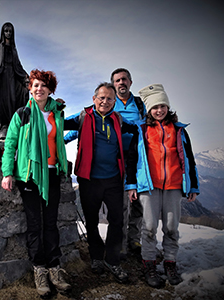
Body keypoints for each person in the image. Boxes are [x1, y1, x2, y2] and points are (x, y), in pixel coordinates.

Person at [1, 69, 71, 297]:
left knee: (51, 222)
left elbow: (59, 138)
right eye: (35, 85)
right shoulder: (22, 114)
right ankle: (39, 269)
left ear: (50, 89)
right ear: (30, 89)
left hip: (52, 172)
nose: (38, 88)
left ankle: (54, 268)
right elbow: (10, 144)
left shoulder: (56, 113)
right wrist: (7, 172)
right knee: (34, 223)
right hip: (30, 175)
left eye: (43, 85)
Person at [125, 83, 199, 288]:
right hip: (149, 187)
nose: (159, 110)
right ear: (148, 109)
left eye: (162, 106)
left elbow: (189, 158)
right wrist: (131, 185)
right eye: (155, 107)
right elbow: (132, 159)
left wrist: (192, 186)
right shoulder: (141, 130)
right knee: (148, 227)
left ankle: (170, 262)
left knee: (171, 227)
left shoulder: (179, 130)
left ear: (168, 107)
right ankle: (149, 264)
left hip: (174, 186)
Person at [65, 82, 131, 284]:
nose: (105, 101)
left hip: (113, 179)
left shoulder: (118, 120)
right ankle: (96, 257)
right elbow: (57, 122)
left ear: (114, 102)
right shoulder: (83, 117)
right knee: (91, 221)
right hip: (89, 179)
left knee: (117, 221)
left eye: (109, 98)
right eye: (101, 97)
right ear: (94, 99)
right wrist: (54, 106)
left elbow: (139, 132)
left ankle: (112, 260)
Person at [110, 68, 146, 259]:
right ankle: (121, 244)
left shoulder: (140, 105)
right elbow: (86, 123)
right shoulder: (108, 102)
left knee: (139, 203)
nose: (121, 83)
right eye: (117, 80)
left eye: (124, 79)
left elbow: (151, 126)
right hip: (117, 160)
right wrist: (61, 140)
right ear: (113, 84)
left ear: (130, 82)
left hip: (139, 160)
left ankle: (135, 240)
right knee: (121, 204)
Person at [0, 22, 29, 139]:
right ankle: (3, 127)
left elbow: (18, 65)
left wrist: (26, 77)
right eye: (6, 31)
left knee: (14, 101)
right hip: (2, 79)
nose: (8, 33)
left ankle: (12, 126)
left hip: (13, 79)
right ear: (3, 32)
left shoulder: (14, 49)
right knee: (3, 102)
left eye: (10, 31)